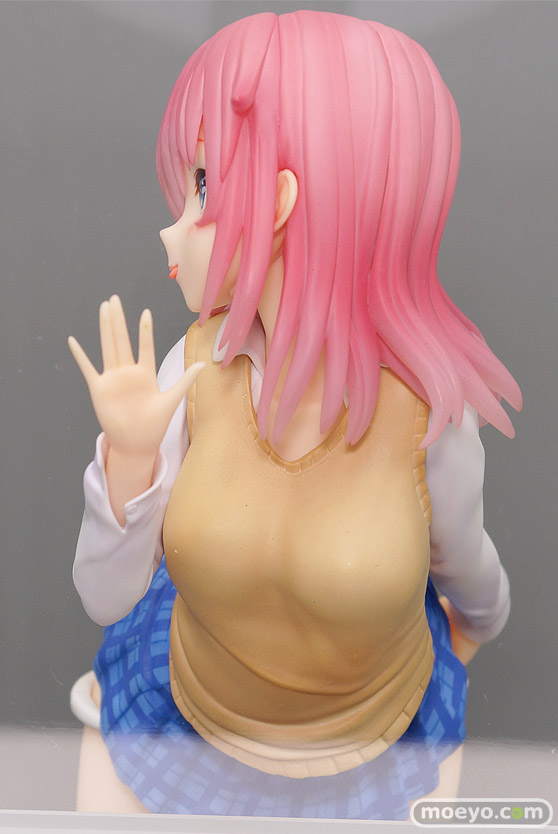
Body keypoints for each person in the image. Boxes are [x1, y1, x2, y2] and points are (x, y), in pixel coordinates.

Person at [68, 11, 521, 819]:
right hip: (184, 715)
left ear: (280, 200)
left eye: (204, 187)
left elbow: (470, 571)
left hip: (376, 742)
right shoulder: (194, 370)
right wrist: (129, 461)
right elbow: (105, 596)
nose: (172, 229)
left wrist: (477, 624)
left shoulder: (427, 413)